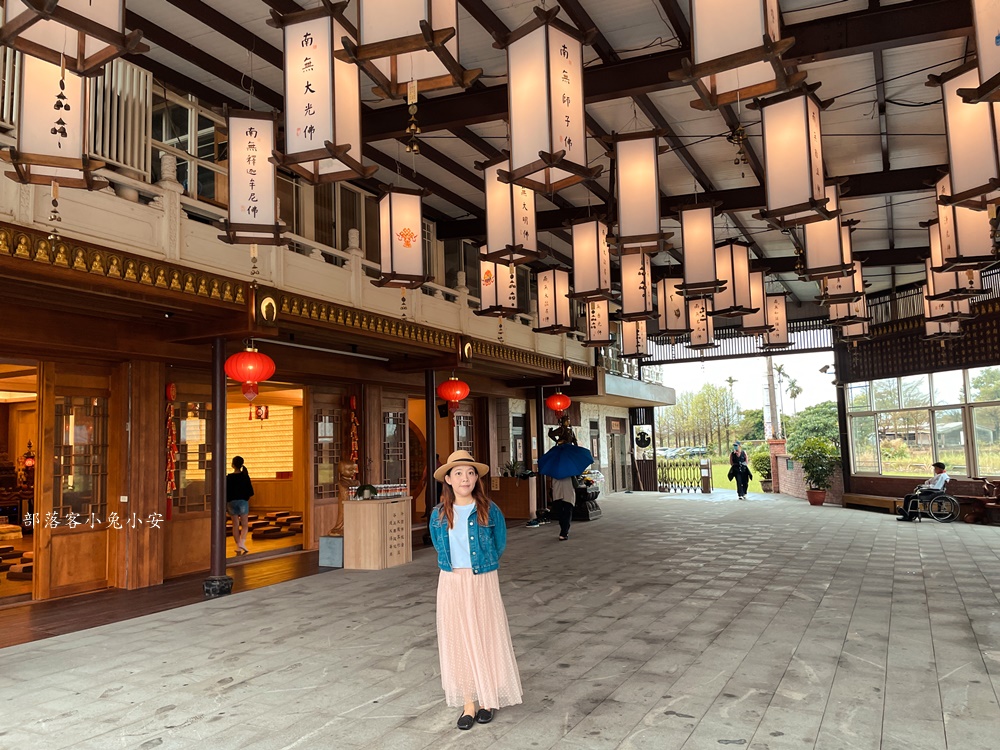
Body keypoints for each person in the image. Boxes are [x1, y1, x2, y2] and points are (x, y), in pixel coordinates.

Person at [429, 450, 522, 730]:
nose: (465, 478)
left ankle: (488, 699)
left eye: (470, 473)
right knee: (457, 639)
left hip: (482, 579)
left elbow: (499, 542)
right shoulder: (438, 514)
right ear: (448, 479)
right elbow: (437, 544)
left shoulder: (488, 509)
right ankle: (468, 702)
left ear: (476, 478)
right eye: (458, 473)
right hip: (451, 581)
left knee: (486, 634)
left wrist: (483, 564)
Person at [226, 456, 254, 555]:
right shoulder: (245, 476)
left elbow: (225, 491)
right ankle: (241, 543)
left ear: (232, 465)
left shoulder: (228, 478)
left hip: (230, 502)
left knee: (235, 525)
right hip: (242, 501)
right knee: (245, 525)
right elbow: (251, 492)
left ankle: (238, 546)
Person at [549, 475, 576, 541]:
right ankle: (564, 531)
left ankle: (564, 532)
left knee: (565, 513)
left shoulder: (555, 473)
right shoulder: (569, 472)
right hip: (563, 494)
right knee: (563, 514)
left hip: (563, 494)